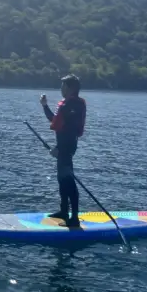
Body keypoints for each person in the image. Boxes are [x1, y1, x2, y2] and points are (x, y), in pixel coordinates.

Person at [40, 74, 86, 227]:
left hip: (65, 147)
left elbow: (65, 128)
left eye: (63, 86)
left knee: (68, 181)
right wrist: (45, 106)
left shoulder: (67, 105)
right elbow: (57, 122)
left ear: (70, 88)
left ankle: (74, 219)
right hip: (68, 146)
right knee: (62, 179)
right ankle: (64, 211)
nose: (61, 89)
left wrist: (59, 149)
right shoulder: (75, 104)